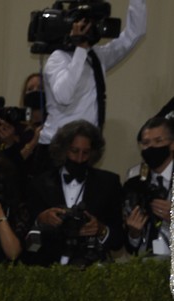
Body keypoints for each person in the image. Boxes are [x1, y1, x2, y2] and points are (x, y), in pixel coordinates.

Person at [37, 0, 147, 153]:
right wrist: (80, 49)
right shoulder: (58, 57)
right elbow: (63, 96)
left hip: (86, 147)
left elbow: (134, 34)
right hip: (57, 147)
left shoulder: (96, 57)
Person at [26, 119, 123, 265]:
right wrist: (41, 219)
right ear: (63, 149)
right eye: (74, 151)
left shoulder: (109, 183)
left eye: (86, 153)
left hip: (92, 268)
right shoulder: (39, 183)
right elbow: (24, 236)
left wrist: (101, 229)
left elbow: (118, 241)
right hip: (48, 268)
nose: (79, 159)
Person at [122, 115, 174, 257]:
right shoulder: (134, 183)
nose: (151, 147)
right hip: (147, 264)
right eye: (146, 143)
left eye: (158, 141)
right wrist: (134, 233)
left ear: (172, 144)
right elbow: (130, 245)